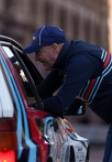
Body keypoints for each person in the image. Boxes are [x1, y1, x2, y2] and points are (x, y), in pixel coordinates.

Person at [23, 25, 112, 162]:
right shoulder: (65, 61)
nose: (36, 58)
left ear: (54, 48)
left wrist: (23, 108)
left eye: (38, 52)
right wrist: (15, 87)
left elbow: (59, 103)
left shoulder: (80, 61)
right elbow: (40, 92)